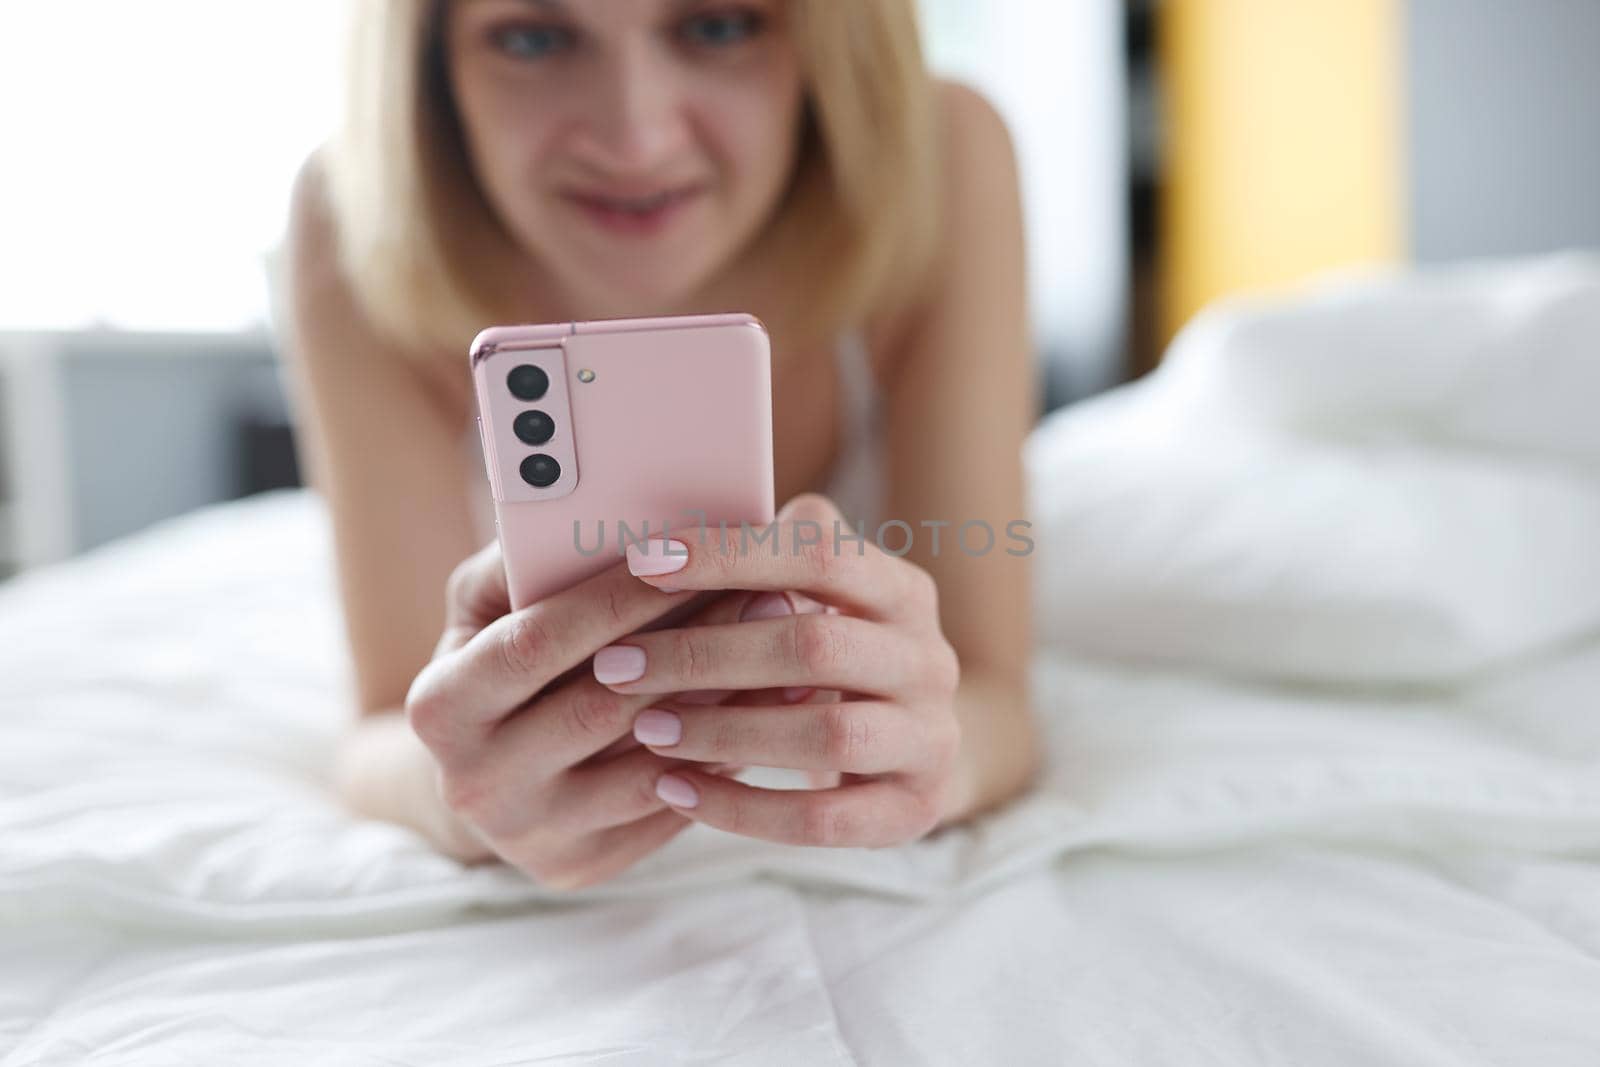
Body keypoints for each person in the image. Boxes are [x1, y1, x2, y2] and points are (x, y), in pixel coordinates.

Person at [281, 0, 1039, 889]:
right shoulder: (358, 217)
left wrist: (933, 760)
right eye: (532, 38)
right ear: (432, 64)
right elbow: (383, 725)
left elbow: (994, 690)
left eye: (718, 27)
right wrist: (465, 794)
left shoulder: (939, 156)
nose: (633, 138)